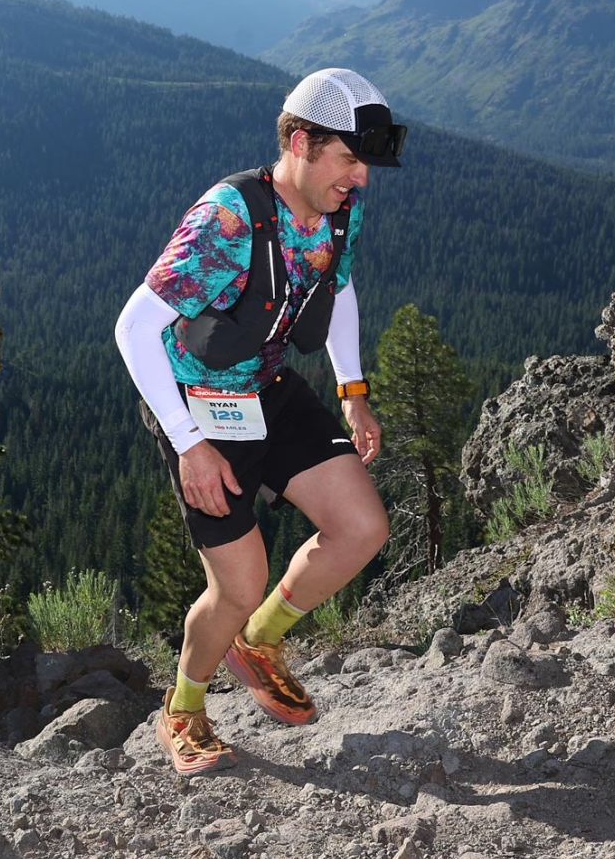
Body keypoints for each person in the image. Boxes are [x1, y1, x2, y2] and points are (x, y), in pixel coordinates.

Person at [114, 67, 406, 775]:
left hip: (268, 388)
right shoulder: (229, 219)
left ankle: (259, 643)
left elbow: (338, 286)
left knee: (362, 527)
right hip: (197, 409)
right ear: (301, 142)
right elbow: (134, 327)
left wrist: (353, 388)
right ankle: (183, 709)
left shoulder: (337, 210)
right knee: (238, 583)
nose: (360, 179)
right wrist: (189, 445)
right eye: (349, 159)